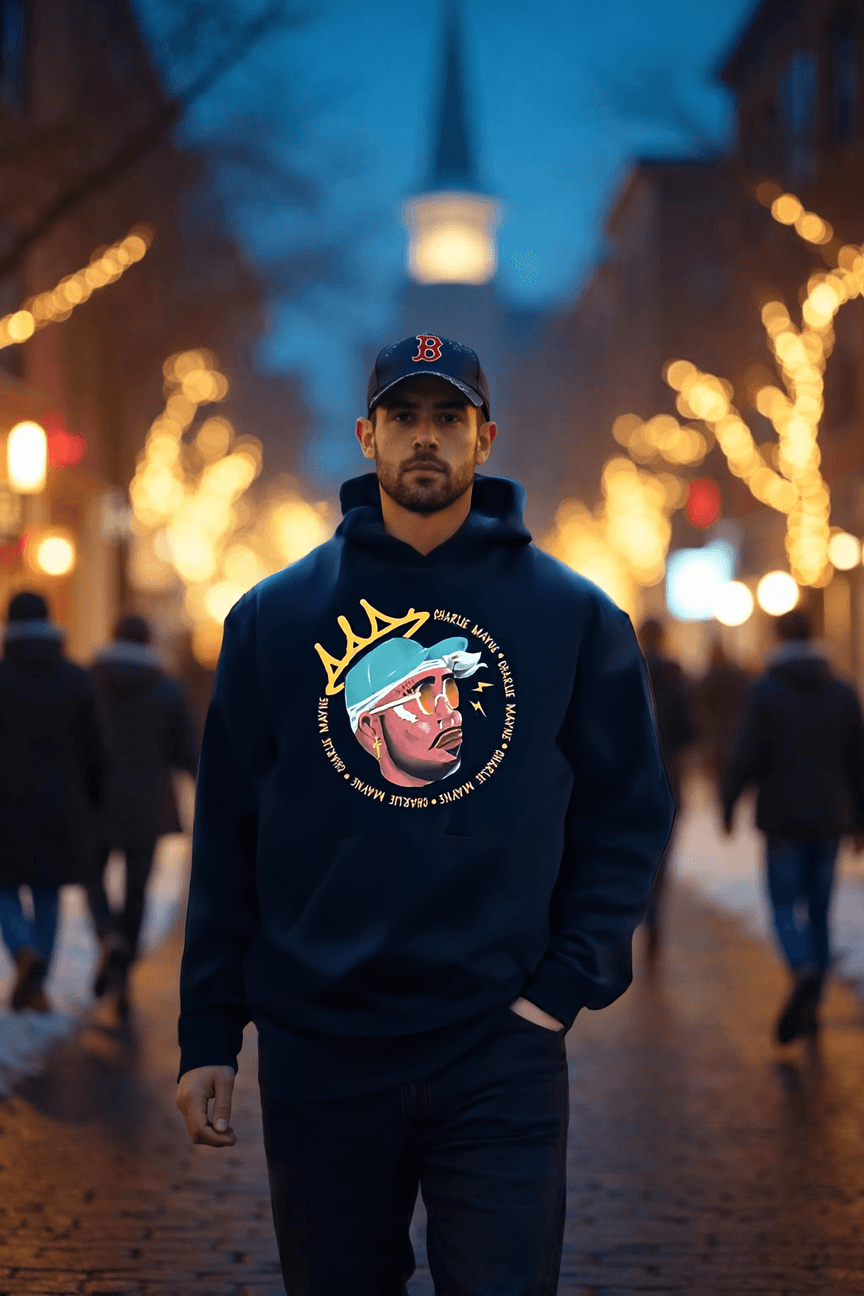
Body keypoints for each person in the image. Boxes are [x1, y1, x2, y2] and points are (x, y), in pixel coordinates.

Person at [176, 335, 675, 1295]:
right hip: (320, 1050)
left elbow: (630, 814)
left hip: (500, 1045)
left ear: (485, 437)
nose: (426, 439)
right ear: (366, 436)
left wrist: (560, 989)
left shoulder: (574, 617)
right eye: (404, 417)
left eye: (449, 418)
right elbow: (228, 835)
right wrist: (209, 1032)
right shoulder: (272, 619)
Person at [723, 609, 864, 1045]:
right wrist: (860, 819)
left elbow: (745, 754)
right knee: (820, 911)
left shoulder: (765, 691)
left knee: (785, 908)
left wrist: (729, 802)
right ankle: (814, 1000)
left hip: (781, 819)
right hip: (829, 819)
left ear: (778, 638)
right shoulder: (842, 692)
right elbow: (858, 763)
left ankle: (801, 969)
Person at [0, 591, 104, 1013]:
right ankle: (38, 982)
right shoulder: (76, 679)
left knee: (3, 886)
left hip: (4, 804)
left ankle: (24, 951)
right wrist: (95, 800)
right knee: (47, 892)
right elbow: (94, 749)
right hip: (62, 805)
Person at [88, 614, 198, 1012]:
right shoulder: (166, 688)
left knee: (91, 878)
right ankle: (123, 972)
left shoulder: (92, 680)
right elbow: (187, 749)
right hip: (148, 804)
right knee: (137, 890)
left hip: (96, 801)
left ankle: (107, 934)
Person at [637, 618, 695, 953]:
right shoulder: (676, 677)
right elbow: (689, 731)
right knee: (663, 849)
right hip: (669, 776)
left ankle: (644, 907)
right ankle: (655, 908)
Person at [696, 638, 749, 802]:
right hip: (735, 729)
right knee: (733, 765)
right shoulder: (737, 676)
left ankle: (724, 799)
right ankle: (731, 798)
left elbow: (699, 707)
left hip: (715, 732)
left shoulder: (707, 678)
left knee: (720, 770)